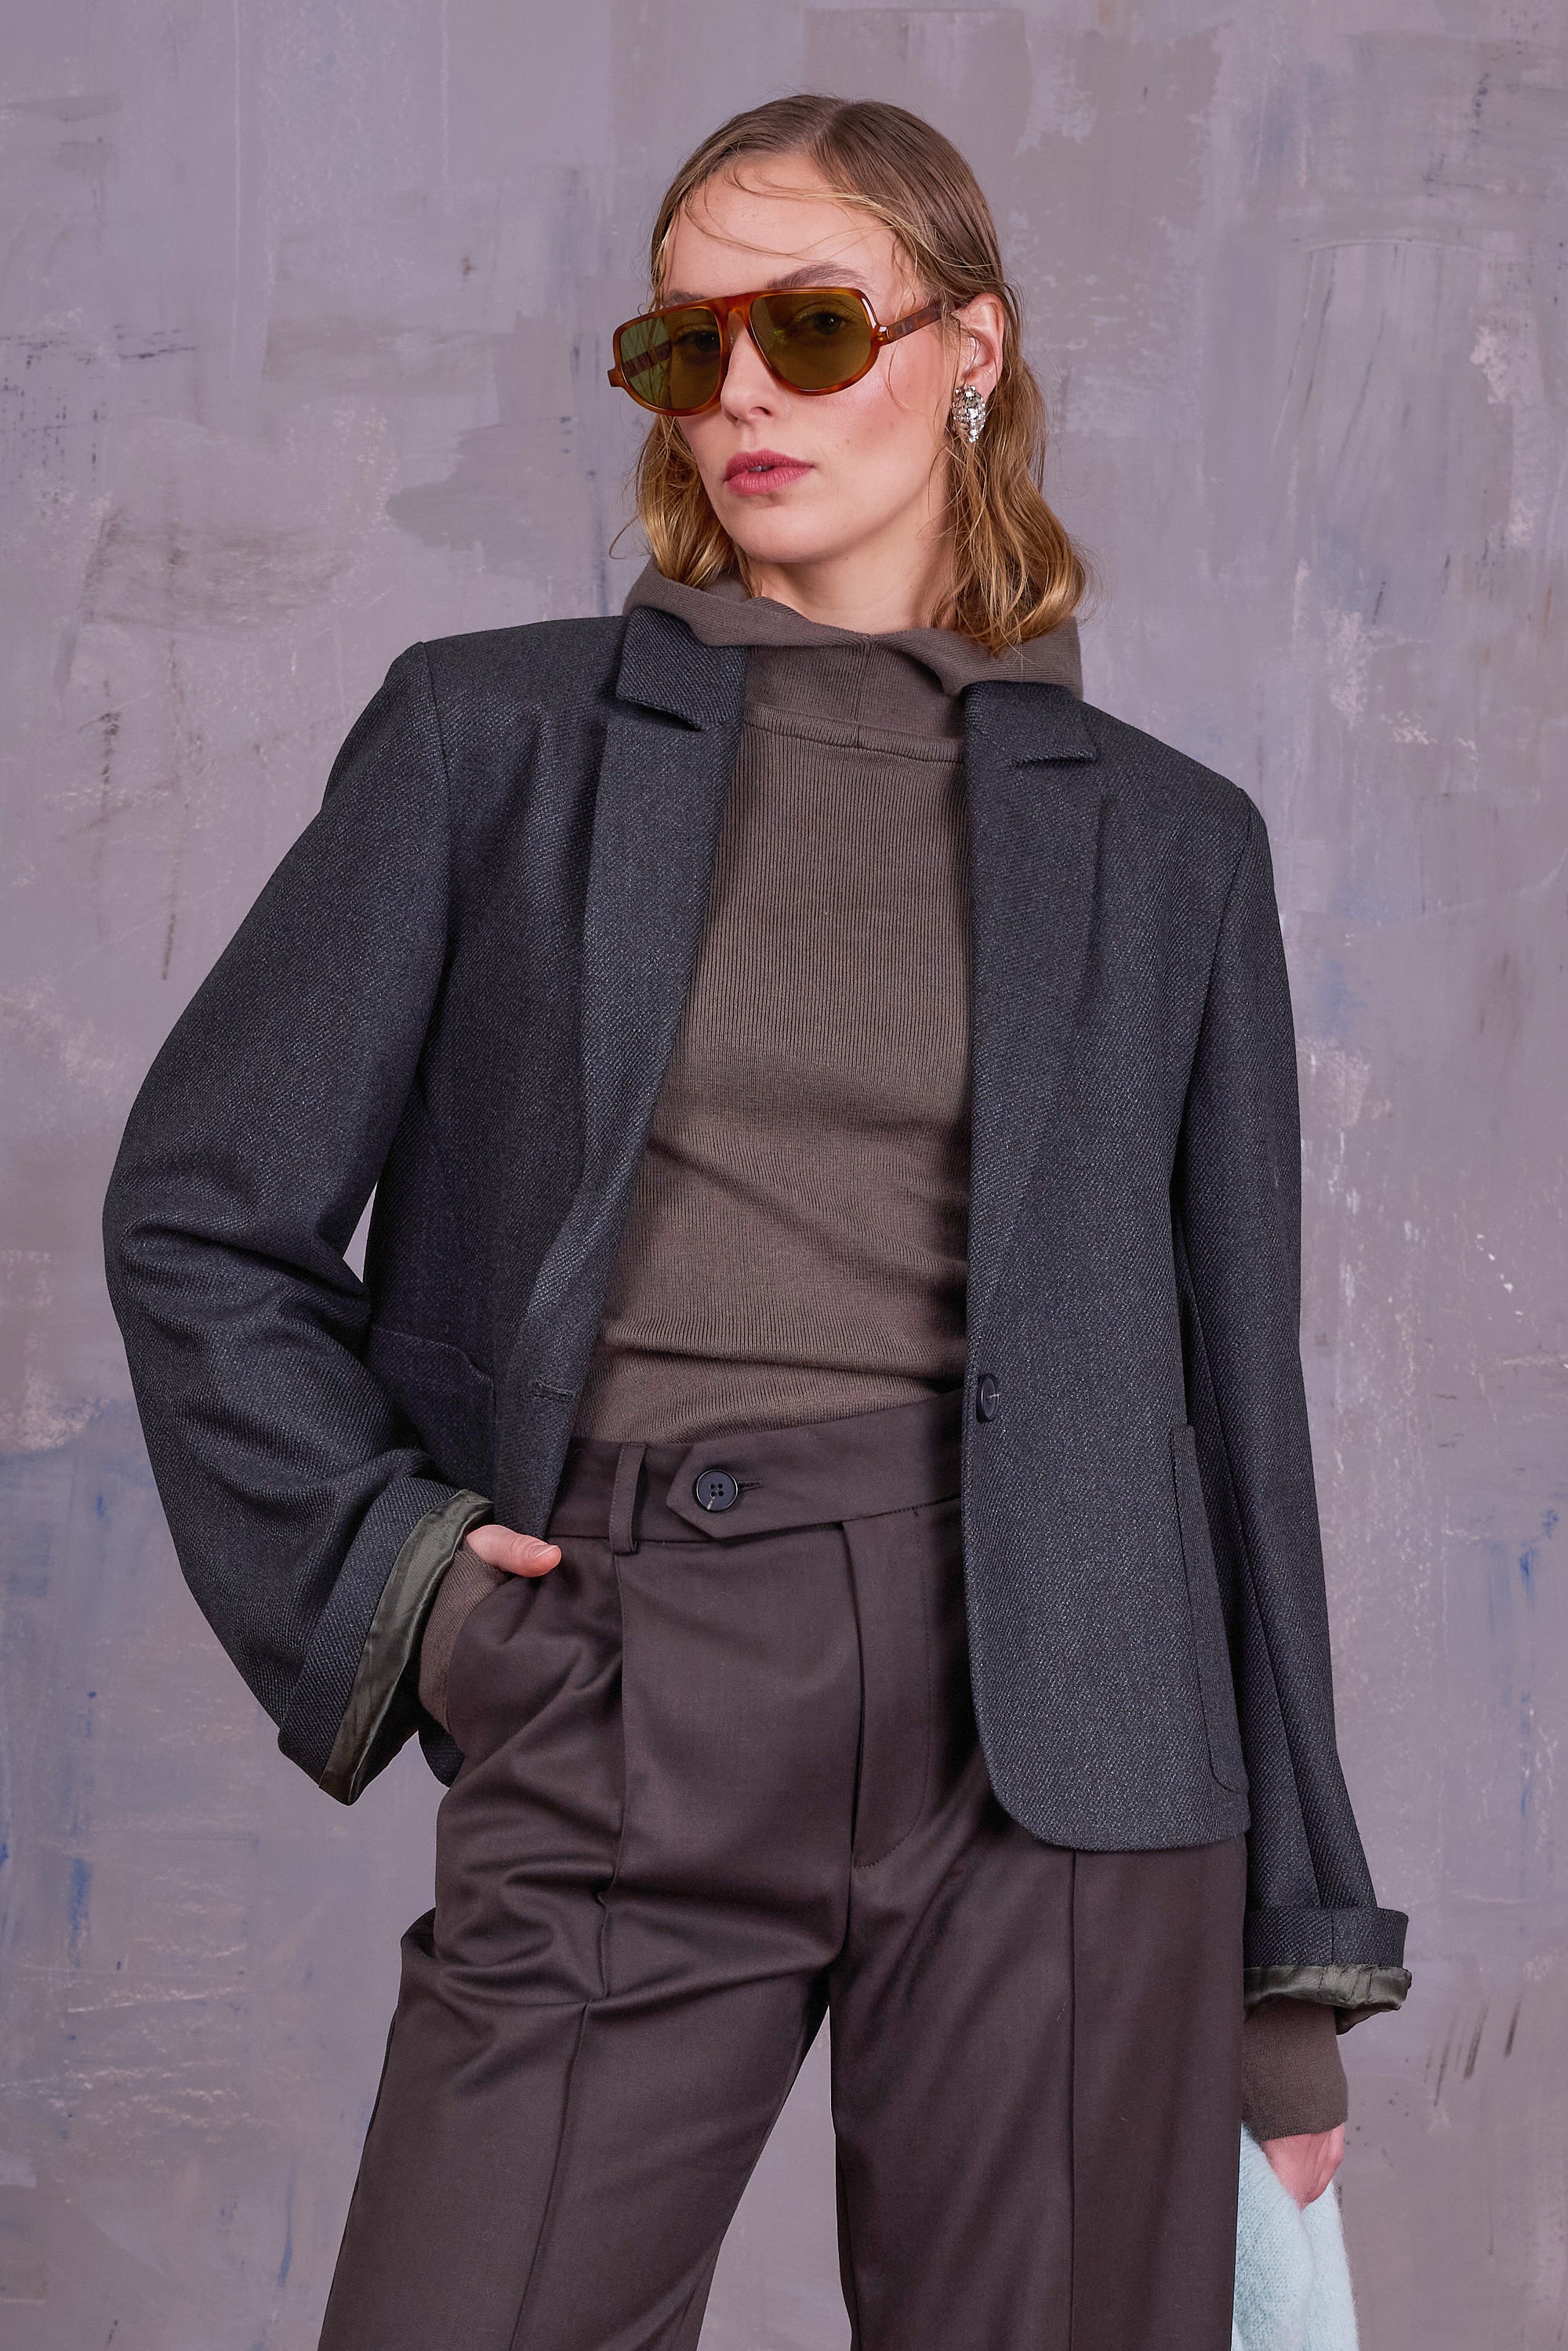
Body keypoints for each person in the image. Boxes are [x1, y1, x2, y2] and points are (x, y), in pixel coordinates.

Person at [102, 94, 1410, 2351]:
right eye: (681, 346)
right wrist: (425, 1602)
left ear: (970, 348)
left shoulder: (1170, 844)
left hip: (1074, 1729)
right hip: (630, 1669)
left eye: (809, 328)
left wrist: (1292, 1973)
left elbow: (1230, 1410)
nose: (742, 398)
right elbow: (202, 1213)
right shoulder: (491, 742)